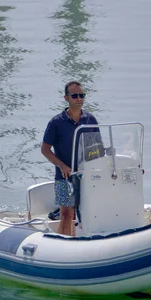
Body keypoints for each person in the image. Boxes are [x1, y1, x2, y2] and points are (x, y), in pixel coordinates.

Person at [41, 81, 98, 236]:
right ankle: (63, 245)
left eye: (82, 95)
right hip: (64, 176)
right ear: (66, 98)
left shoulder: (90, 120)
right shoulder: (56, 123)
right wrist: (62, 166)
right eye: (75, 96)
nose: (79, 99)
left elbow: (96, 148)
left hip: (86, 175)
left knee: (90, 211)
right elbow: (45, 150)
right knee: (66, 214)